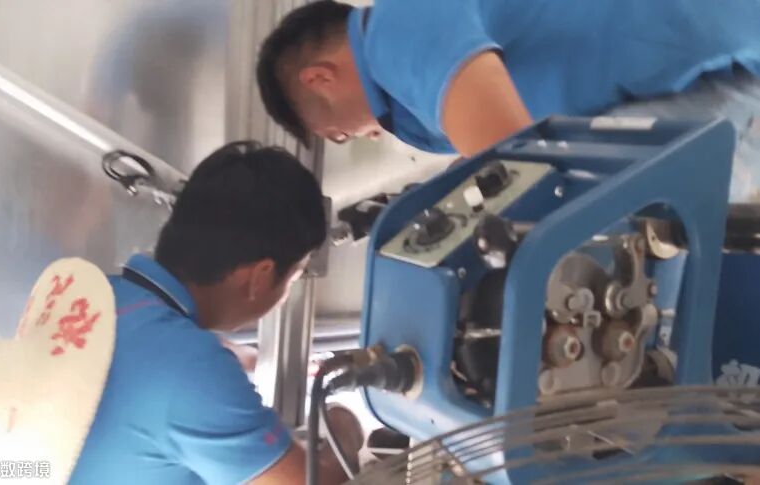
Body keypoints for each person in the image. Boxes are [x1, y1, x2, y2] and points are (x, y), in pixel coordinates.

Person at [256, 0, 760, 201]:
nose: (358, 136)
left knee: (618, 220)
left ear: (320, 79)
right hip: (708, 72)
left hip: (726, 56)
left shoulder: (394, 31)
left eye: (337, 134)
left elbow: (518, 174)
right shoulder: (413, 85)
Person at [70, 141, 359, 484]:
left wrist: (227, 353)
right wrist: (345, 428)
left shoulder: (96, 295)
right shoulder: (191, 367)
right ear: (259, 277)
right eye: (294, 278)